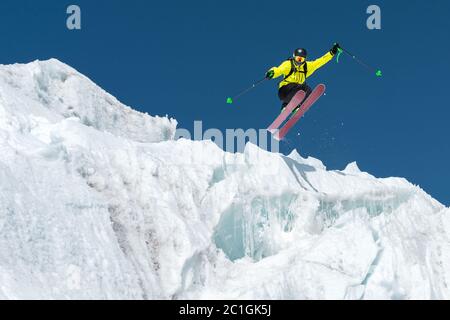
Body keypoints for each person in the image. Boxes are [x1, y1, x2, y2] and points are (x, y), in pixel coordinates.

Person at [265, 43, 341, 111]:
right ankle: (288, 104)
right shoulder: (288, 64)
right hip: (284, 91)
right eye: (298, 59)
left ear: (305, 59)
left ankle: (291, 107)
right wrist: (271, 73)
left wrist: (332, 53)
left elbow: (320, 62)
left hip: (296, 92)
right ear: (294, 57)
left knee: (308, 90)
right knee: (301, 87)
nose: (299, 61)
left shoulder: (307, 66)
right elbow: (279, 70)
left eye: (302, 59)